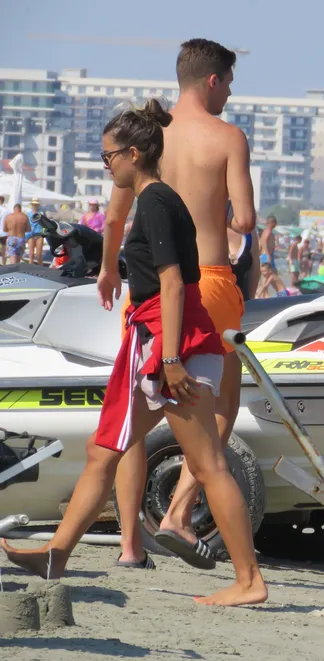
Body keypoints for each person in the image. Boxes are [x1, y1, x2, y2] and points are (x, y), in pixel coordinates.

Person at [1, 101, 267, 606]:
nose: (107, 166)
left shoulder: (155, 202)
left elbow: (173, 284)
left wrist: (169, 359)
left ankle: (249, 581)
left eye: (108, 157)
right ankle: (57, 553)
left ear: (134, 154)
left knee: (207, 463)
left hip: (168, 344)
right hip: (166, 340)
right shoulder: (159, 200)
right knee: (104, 450)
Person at [99, 38, 257, 569]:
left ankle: (129, 545)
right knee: (220, 406)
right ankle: (179, 513)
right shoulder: (228, 137)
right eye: (229, 83)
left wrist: (106, 270)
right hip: (207, 280)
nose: (230, 93)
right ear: (212, 80)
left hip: (147, 291)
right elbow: (245, 220)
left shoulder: (147, 138)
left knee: (133, 414)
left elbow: (115, 217)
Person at [26, 198, 44, 265]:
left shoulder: (41, 213)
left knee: (38, 255)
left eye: (36, 204)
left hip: (39, 235)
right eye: (34, 204)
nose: (35, 206)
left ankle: (42, 268)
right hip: (31, 234)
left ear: (38, 205)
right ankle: (30, 268)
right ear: (32, 205)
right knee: (31, 254)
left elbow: (45, 224)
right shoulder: (28, 214)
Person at [0, 195, 9, 265]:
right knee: (4, 250)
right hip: (4, 233)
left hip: (3, 232)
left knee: (3, 249)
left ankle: (3, 264)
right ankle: (4, 264)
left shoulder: (6, 210)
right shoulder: (7, 210)